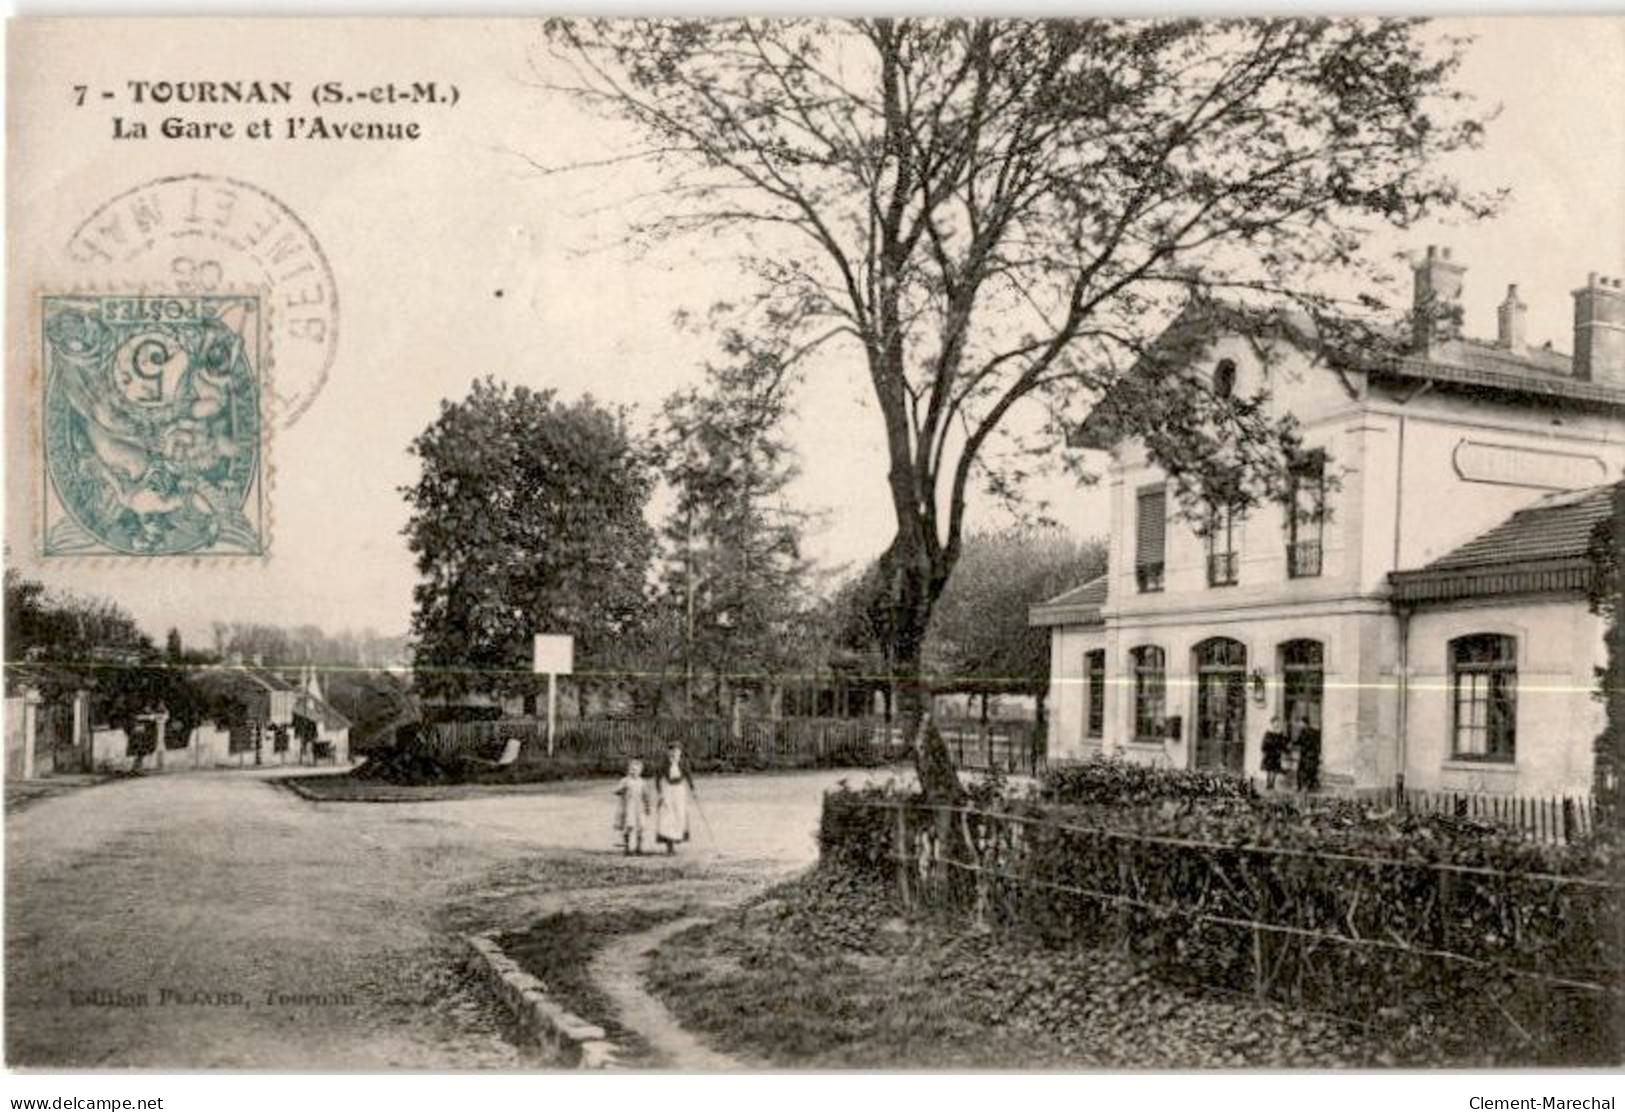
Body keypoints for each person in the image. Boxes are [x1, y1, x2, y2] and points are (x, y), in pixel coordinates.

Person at [654, 742, 696, 855]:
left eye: (676, 751)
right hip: (668, 790)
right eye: (671, 751)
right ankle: (669, 845)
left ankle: (676, 839)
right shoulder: (663, 764)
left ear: (680, 753)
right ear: (667, 752)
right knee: (667, 816)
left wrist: (693, 789)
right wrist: (660, 793)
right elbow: (657, 779)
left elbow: (688, 776)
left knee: (679, 815)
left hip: (679, 791)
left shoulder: (683, 763)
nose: (673, 753)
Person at [613, 758, 650, 855]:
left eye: (636, 770)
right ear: (628, 770)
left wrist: (647, 806)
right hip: (629, 807)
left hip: (639, 807)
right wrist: (621, 790)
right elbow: (616, 791)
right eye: (632, 769)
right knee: (629, 826)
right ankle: (627, 847)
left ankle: (639, 847)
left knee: (641, 827)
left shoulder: (642, 782)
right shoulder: (625, 781)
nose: (634, 772)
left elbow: (646, 795)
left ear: (640, 771)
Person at [1290, 704, 1321, 793]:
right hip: (1304, 754)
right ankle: (1299, 786)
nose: (1300, 724)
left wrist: (1299, 744)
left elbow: (1310, 743)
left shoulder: (1311, 732)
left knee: (1307, 771)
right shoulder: (1303, 731)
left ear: (1305, 723)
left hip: (1310, 755)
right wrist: (1292, 743)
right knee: (1300, 770)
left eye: (1301, 723)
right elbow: (1299, 741)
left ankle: (1306, 787)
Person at [1260, 715, 1289, 791]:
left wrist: (1285, 749)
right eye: (1275, 723)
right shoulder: (1268, 733)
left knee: (1275, 769)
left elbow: (1283, 743)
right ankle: (1268, 784)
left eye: (1278, 723)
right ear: (1272, 723)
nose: (1277, 724)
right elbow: (1264, 744)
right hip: (1269, 753)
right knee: (1269, 769)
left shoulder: (1280, 733)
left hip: (1277, 754)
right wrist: (1264, 750)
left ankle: (1272, 784)